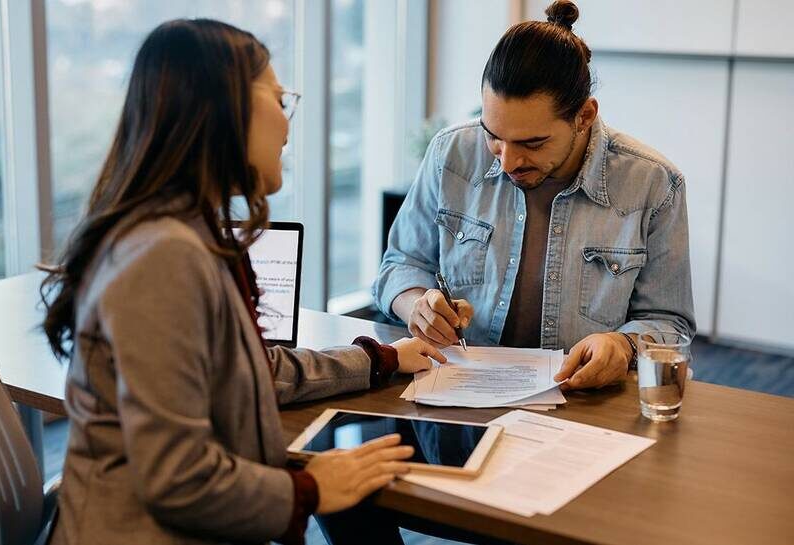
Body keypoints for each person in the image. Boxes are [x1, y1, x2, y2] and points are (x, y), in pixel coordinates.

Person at [40, 19, 447, 545]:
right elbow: (180, 478)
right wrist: (309, 489)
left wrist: (380, 358)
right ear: (223, 108)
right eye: (279, 99)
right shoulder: (163, 257)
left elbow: (250, 371)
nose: (287, 123)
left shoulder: (187, 234)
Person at [374, 0, 695, 391]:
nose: (508, 160)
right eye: (493, 135)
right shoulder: (451, 154)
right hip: (457, 401)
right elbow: (400, 264)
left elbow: (669, 321)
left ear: (584, 116)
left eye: (533, 142)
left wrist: (622, 345)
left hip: (584, 413)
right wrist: (416, 304)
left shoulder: (654, 184)